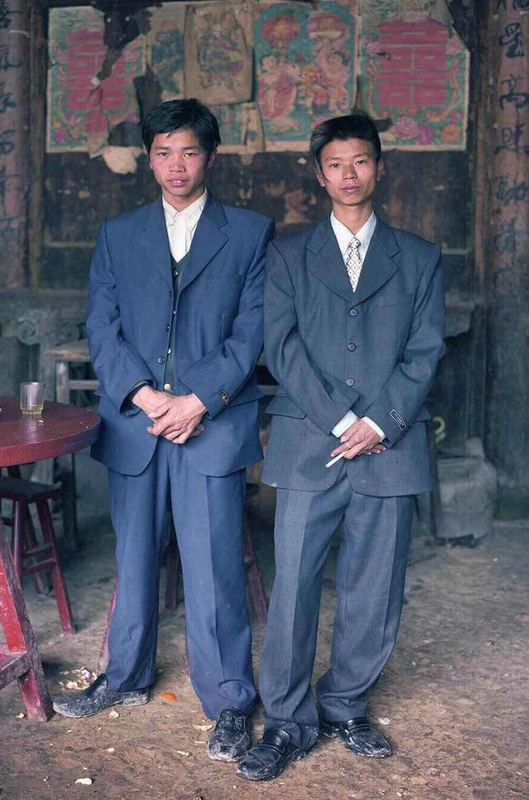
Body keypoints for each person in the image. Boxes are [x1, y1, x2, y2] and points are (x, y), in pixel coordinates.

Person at [53, 99, 275, 763]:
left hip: (211, 424)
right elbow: (102, 326)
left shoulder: (250, 233)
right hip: (137, 422)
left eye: (189, 152)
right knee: (133, 560)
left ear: (210, 157)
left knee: (214, 569)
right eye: (162, 152)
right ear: (149, 160)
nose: (176, 165)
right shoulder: (118, 234)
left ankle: (229, 700)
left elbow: (253, 330)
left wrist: (199, 400)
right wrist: (145, 395)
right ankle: (124, 677)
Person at [237, 114, 445, 781]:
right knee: (294, 584)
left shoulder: (418, 257)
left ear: (378, 168)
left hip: (389, 444)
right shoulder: (287, 254)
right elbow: (281, 347)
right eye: (335, 164)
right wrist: (340, 419)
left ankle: (346, 704)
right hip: (310, 441)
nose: (348, 175)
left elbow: (425, 350)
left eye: (360, 162)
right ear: (319, 174)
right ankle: (286, 720)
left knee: (374, 588)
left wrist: (379, 422)